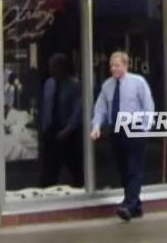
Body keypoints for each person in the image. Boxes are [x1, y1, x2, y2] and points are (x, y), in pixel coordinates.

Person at [90, 51, 154, 221]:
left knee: (134, 167)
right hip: (116, 130)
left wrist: (145, 129)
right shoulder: (107, 86)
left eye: (117, 65)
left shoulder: (138, 82)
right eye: (111, 66)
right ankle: (136, 206)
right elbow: (100, 108)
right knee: (123, 168)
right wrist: (96, 126)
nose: (113, 69)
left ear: (125, 65)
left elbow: (148, 106)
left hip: (134, 128)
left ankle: (128, 205)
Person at [38, 53, 83, 188]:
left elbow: (78, 111)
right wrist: (45, 128)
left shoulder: (75, 85)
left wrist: (67, 131)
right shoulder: (49, 84)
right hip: (51, 131)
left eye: (54, 67)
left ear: (63, 67)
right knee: (49, 170)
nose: (51, 70)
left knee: (76, 168)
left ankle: (82, 188)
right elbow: (45, 106)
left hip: (68, 132)